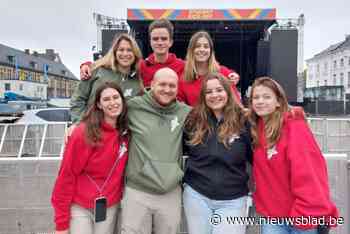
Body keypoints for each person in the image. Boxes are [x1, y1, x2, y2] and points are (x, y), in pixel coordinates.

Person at [248, 77, 338, 234]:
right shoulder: (258, 128)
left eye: (267, 97)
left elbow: (309, 174)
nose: (260, 101)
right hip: (272, 217)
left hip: (301, 217)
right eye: (256, 97)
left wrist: (305, 215)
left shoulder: (294, 127)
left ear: (278, 101)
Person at [120, 67, 191, 234]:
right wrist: (77, 124)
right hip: (138, 191)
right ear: (151, 84)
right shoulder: (132, 107)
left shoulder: (185, 112)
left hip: (170, 192)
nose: (167, 90)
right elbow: (104, 109)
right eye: (162, 84)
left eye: (172, 86)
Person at [51, 82, 129, 234]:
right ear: (99, 104)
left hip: (109, 205)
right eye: (106, 99)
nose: (112, 103)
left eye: (116, 97)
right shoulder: (83, 133)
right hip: (80, 206)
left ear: (122, 101)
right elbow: (66, 176)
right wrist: (61, 224)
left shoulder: (126, 132)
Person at [182, 73, 252, 234]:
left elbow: (257, 158)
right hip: (197, 196)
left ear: (228, 92)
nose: (214, 95)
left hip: (233, 199)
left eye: (219, 90)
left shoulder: (244, 120)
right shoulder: (193, 120)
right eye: (209, 92)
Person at [80, 20, 239, 89]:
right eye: (155, 39)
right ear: (150, 41)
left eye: (164, 39)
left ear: (170, 42)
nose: (160, 42)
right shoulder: (141, 66)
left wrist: (230, 73)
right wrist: (87, 65)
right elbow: (112, 63)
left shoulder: (182, 66)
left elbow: (209, 67)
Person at [71, 33, 143, 124]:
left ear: (135, 54)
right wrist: (80, 125)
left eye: (129, 50)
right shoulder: (95, 71)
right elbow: (78, 100)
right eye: (121, 50)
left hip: (120, 135)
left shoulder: (138, 81)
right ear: (114, 52)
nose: (125, 54)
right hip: (91, 132)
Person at [176, 31, 241, 107]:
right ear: (191, 50)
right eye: (197, 46)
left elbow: (236, 102)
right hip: (195, 118)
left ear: (211, 51)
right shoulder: (183, 77)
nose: (202, 49)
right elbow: (180, 107)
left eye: (206, 46)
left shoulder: (222, 72)